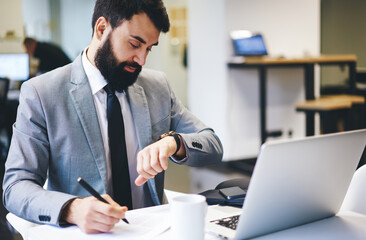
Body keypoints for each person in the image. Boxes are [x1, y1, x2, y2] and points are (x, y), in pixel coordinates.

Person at [3, 0, 223, 234]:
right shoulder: (42, 93)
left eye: (149, 48)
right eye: (134, 44)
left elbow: (212, 144)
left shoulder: (157, 86)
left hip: (153, 231)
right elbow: (16, 187)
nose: (141, 59)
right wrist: (72, 209)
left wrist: (174, 142)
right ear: (101, 28)